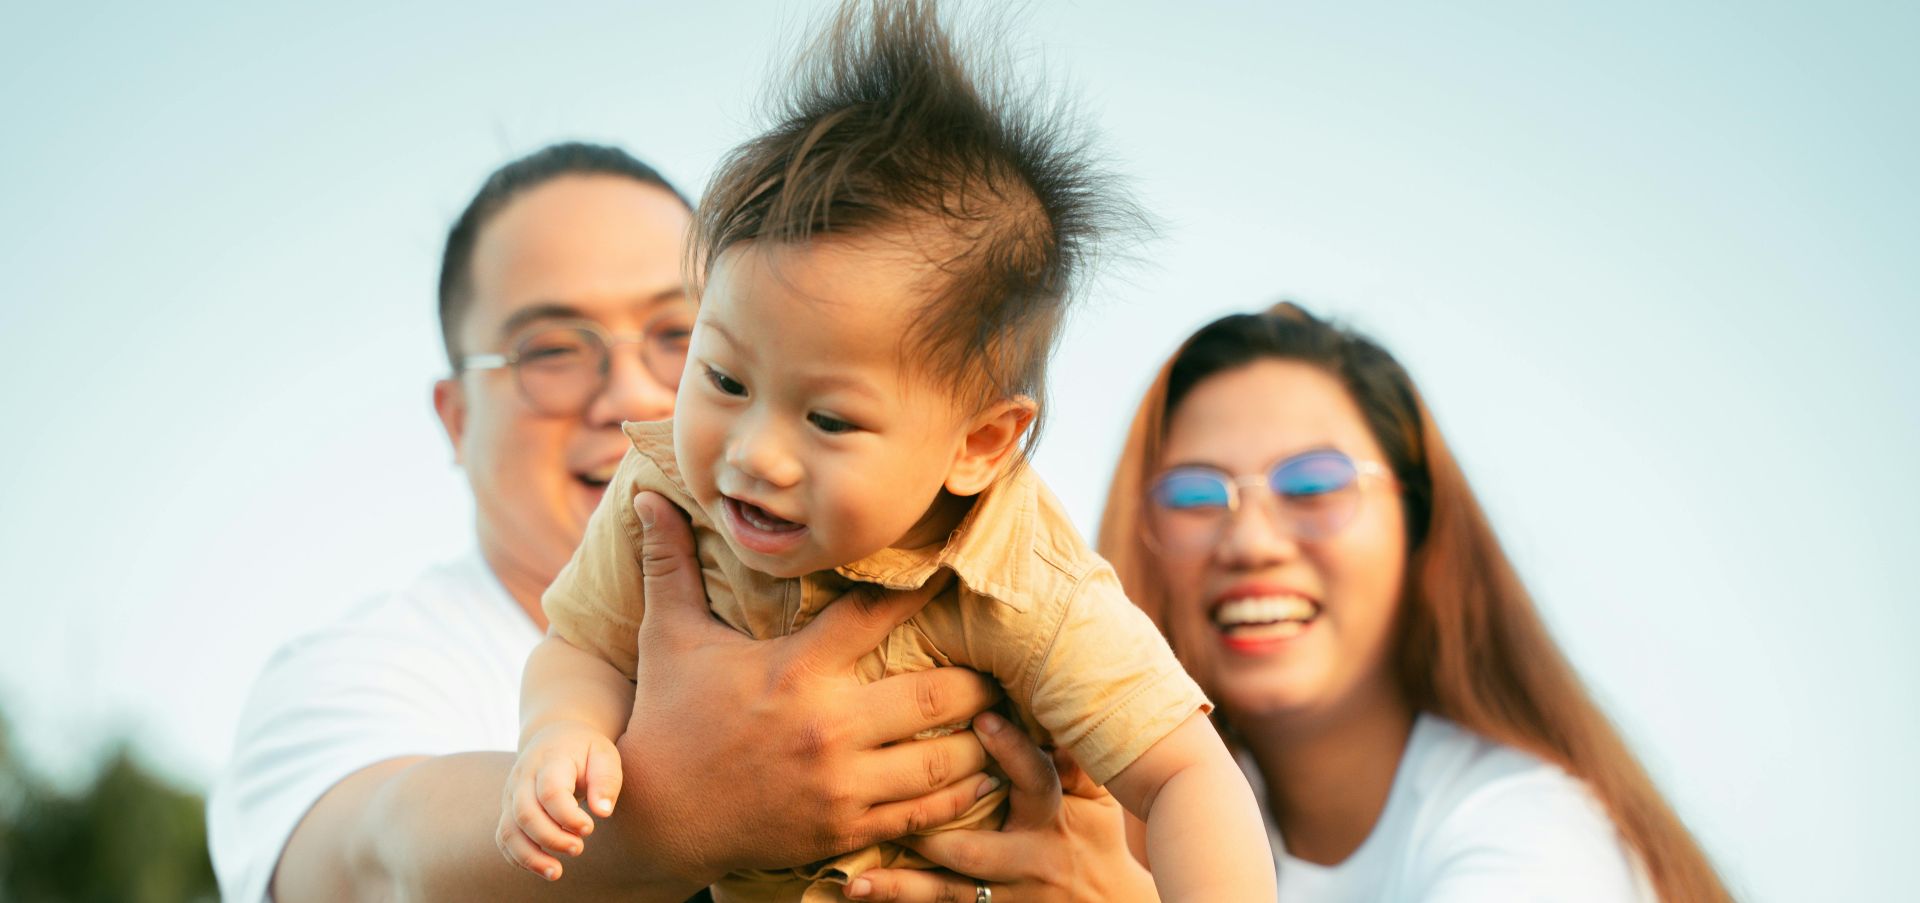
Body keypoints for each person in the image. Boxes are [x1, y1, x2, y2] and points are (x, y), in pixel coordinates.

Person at [501, 5, 1274, 902]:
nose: (755, 454)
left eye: (828, 421)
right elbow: (582, 648)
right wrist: (561, 734)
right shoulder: (662, 488)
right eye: (723, 379)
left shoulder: (1027, 578)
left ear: (980, 444)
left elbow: (1185, 772)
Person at [206, 142, 1034, 903]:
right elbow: (378, 858)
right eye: (553, 351)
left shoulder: (951, 593)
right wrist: (687, 811)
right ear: (456, 420)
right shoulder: (363, 672)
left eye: (681, 337)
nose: (634, 397)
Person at [1085, 302, 1736, 900]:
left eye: (1315, 485)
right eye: (1195, 497)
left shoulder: (1528, 832)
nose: (1251, 541)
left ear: (1419, 525)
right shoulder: (1180, 818)